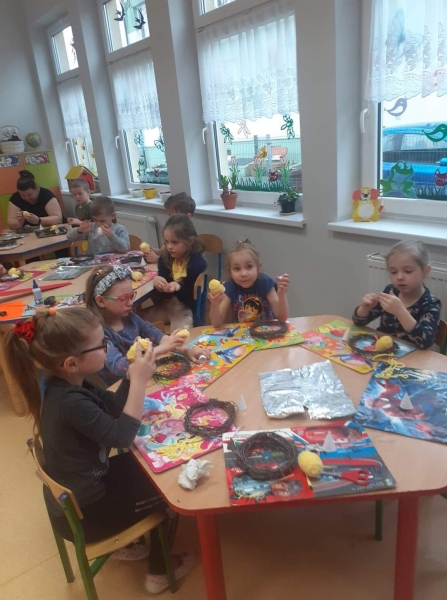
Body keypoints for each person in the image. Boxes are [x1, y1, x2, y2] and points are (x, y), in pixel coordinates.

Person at [4, 307, 193, 593]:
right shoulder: (70, 402)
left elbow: (113, 408)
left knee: (147, 466)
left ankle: (132, 541)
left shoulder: (71, 385)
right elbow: (122, 436)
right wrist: (139, 381)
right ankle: (158, 572)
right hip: (88, 514)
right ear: (71, 363)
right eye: (101, 344)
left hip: (86, 488)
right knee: (169, 491)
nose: (108, 347)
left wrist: (130, 375)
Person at [85, 264, 210, 385]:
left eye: (131, 296)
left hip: (144, 379)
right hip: (122, 389)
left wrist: (187, 350)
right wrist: (160, 350)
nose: (130, 303)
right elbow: (119, 367)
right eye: (123, 299)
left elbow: (158, 336)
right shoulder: (98, 333)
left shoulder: (130, 317)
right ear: (101, 301)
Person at [352, 240, 441, 349]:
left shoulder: (431, 304)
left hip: (413, 357)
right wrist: (364, 308)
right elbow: (358, 322)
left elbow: (425, 342)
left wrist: (400, 311)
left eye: (408, 271)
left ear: (425, 271)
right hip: (383, 351)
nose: (399, 277)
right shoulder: (390, 292)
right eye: (393, 272)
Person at [208, 239, 290, 327]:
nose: (243, 274)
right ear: (230, 271)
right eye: (237, 269)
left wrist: (281, 294)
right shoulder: (230, 287)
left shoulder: (265, 282)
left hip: (267, 332)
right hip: (241, 333)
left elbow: (282, 318)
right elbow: (216, 323)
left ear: (258, 267)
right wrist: (214, 305)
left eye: (249, 266)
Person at [148, 215, 206, 331]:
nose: (169, 247)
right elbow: (160, 297)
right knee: (137, 325)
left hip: (186, 308)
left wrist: (179, 287)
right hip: (166, 306)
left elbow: (192, 300)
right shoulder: (164, 259)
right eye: (166, 242)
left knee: (181, 335)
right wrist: (158, 284)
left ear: (189, 241)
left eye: (175, 242)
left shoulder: (196, 264)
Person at [143, 192, 196, 264]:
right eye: (170, 216)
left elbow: (180, 261)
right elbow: (163, 251)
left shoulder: (188, 238)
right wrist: (152, 250)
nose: (171, 220)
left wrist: (157, 259)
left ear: (188, 217)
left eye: (174, 217)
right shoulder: (171, 233)